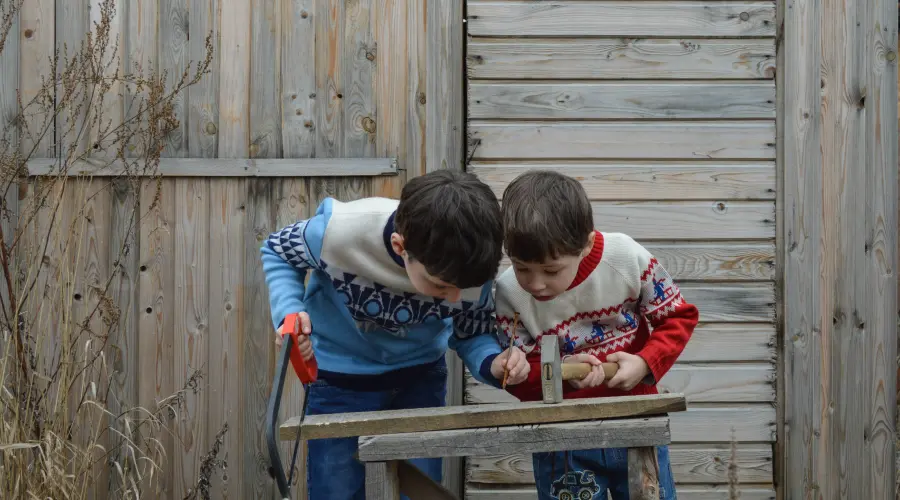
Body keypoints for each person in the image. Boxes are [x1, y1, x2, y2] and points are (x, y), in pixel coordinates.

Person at [261, 169, 530, 499]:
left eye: (464, 288)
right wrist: (288, 310)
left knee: (420, 491)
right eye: (441, 286)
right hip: (339, 384)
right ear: (400, 246)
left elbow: (471, 334)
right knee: (337, 491)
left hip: (420, 381)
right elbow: (277, 250)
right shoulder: (341, 232)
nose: (455, 298)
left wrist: (495, 363)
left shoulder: (472, 267)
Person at [493, 170, 699, 500]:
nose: (535, 283)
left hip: (636, 424)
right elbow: (519, 375)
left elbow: (678, 318)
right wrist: (559, 375)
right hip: (560, 441)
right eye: (521, 267)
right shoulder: (507, 294)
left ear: (587, 244)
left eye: (551, 270)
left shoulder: (626, 258)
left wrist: (645, 364)